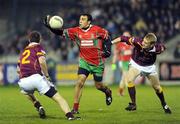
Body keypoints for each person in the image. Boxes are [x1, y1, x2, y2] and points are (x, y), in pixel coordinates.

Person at [43, 13, 112, 114]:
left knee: (98, 86)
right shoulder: (75, 31)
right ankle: (75, 108)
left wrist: (108, 51)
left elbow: (107, 38)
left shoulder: (98, 30)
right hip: (84, 61)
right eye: (80, 19)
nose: (80, 21)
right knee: (80, 82)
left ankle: (108, 92)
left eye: (83, 19)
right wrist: (49, 26)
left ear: (89, 22)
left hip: (98, 62)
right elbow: (60, 32)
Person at [17, 31, 79, 120]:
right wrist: (46, 75)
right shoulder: (38, 47)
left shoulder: (23, 52)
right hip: (37, 79)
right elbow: (42, 61)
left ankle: (38, 106)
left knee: (26, 92)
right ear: (40, 40)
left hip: (23, 82)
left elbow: (18, 70)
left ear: (29, 40)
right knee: (58, 97)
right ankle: (70, 116)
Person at [111, 33, 172, 114]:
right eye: (144, 41)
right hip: (136, 64)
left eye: (146, 43)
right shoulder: (138, 41)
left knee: (157, 88)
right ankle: (133, 104)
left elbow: (163, 47)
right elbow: (123, 38)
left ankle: (164, 104)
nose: (143, 43)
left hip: (149, 67)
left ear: (152, 44)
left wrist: (163, 48)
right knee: (129, 80)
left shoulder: (157, 48)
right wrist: (111, 42)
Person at [112, 31, 132, 96]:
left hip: (130, 62)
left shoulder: (132, 44)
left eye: (127, 35)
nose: (125, 37)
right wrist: (113, 64)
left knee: (123, 78)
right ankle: (131, 92)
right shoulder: (119, 44)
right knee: (126, 77)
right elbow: (116, 54)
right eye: (124, 36)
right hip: (122, 62)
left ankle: (120, 91)